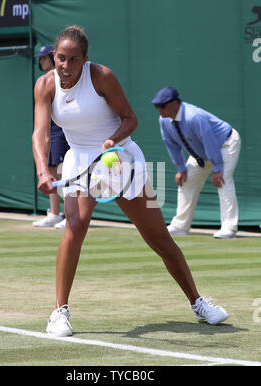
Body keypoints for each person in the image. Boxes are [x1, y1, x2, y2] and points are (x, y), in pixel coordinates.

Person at [32, 25, 229, 337]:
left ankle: (198, 302)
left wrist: (112, 139)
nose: (65, 67)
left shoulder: (102, 77)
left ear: (85, 60)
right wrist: (44, 171)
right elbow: (40, 134)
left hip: (119, 158)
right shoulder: (45, 86)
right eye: (60, 58)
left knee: (159, 238)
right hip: (79, 160)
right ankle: (59, 312)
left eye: (72, 60)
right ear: (54, 56)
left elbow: (131, 118)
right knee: (75, 226)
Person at [152, 87, 241, 239]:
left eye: (163, 105)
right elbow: (171, 145)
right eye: (157, 106)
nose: (160, 110)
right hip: (200, 152)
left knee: (223, 180)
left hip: (225, 144)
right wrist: (181, 168)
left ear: (175, 103)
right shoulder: (163, 120)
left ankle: (229, 228)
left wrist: (218, 168)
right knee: (186, 182)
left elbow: (209, 141)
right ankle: (180, 226)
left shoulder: (194, 116)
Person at [32, 45, 70, 229]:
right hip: (51, 129)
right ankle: (55, 213)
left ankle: (70, 215)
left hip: (63, 130)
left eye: (43, 57)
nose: (41, 61)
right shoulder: (42, 82)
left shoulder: (64, 78)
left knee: (65, 171)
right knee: (52, 171)